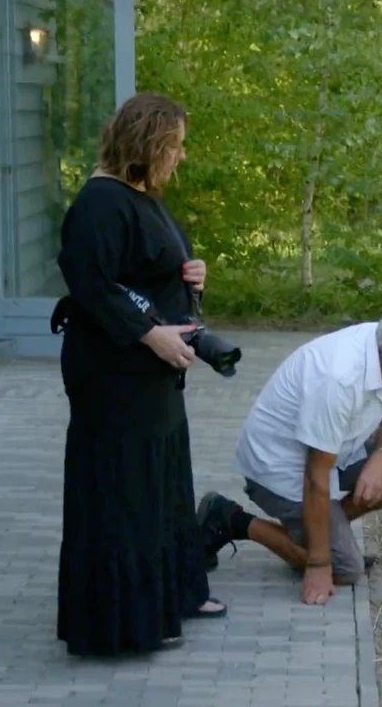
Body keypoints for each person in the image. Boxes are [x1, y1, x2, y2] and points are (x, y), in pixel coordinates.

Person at [51, 92, 226, 658]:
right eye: (173, 146)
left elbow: (144, 270)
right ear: (146, 144)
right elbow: (90, 283)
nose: (179, 157)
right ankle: (127, 620)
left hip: (150, 369)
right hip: (114, 370)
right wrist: (150, 333)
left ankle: (176, 591)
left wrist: (190, 274)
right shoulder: (100, 202)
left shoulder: (141, 198)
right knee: (126, 486)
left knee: (164, 478)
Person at [194, 300, 382, 605]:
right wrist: (318, 565)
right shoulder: (339, 377)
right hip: (280, 470)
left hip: (336, 453)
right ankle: (230, 518)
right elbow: (315, 474)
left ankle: (321, 529)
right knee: (346, 569)